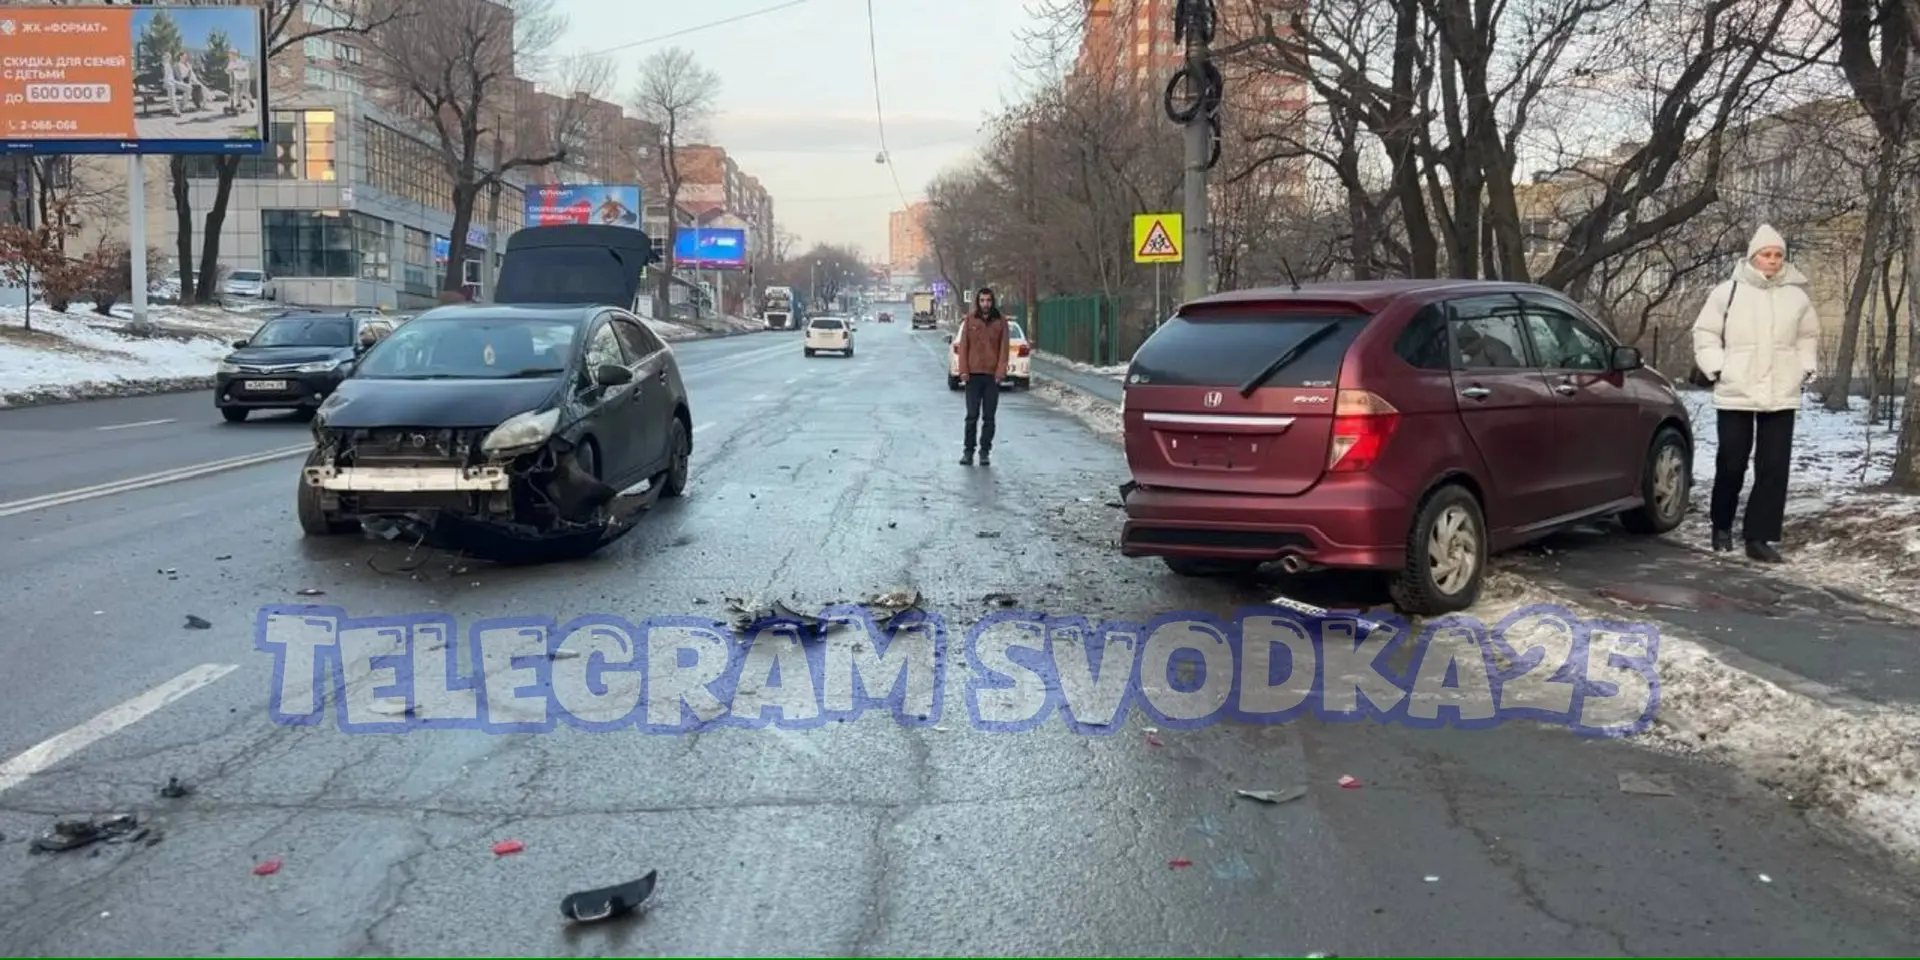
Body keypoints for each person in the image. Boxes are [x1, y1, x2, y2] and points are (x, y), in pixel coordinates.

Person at [1690, 224, 1820, 563]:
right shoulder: (1727, 292)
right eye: (1766, 254)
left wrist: (1804, 368)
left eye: (1778, 255)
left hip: (1781, 390)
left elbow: (1807, 336)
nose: (1773, 260)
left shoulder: (1797, 297)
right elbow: (1705, 333)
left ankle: (1758, 537)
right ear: (1753, 257)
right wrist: (1718, 367)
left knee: (1773, 467)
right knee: (1731, 462)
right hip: (1736, 388)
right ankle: (1721, 526)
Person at [955, 287, 1010, 466]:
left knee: (989, 417)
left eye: (988, 300)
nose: (985, 304)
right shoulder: (970, 320)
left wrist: (1000, 371)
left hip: (992, 377)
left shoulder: (1000, 322)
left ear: (993, 302)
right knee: (972, 416)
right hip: (973, 375)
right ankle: (968, 451)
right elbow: (964, 347)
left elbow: (1004, 349)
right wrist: (963, 370)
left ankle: (984, 451)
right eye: (982, 300)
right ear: (978, 302)